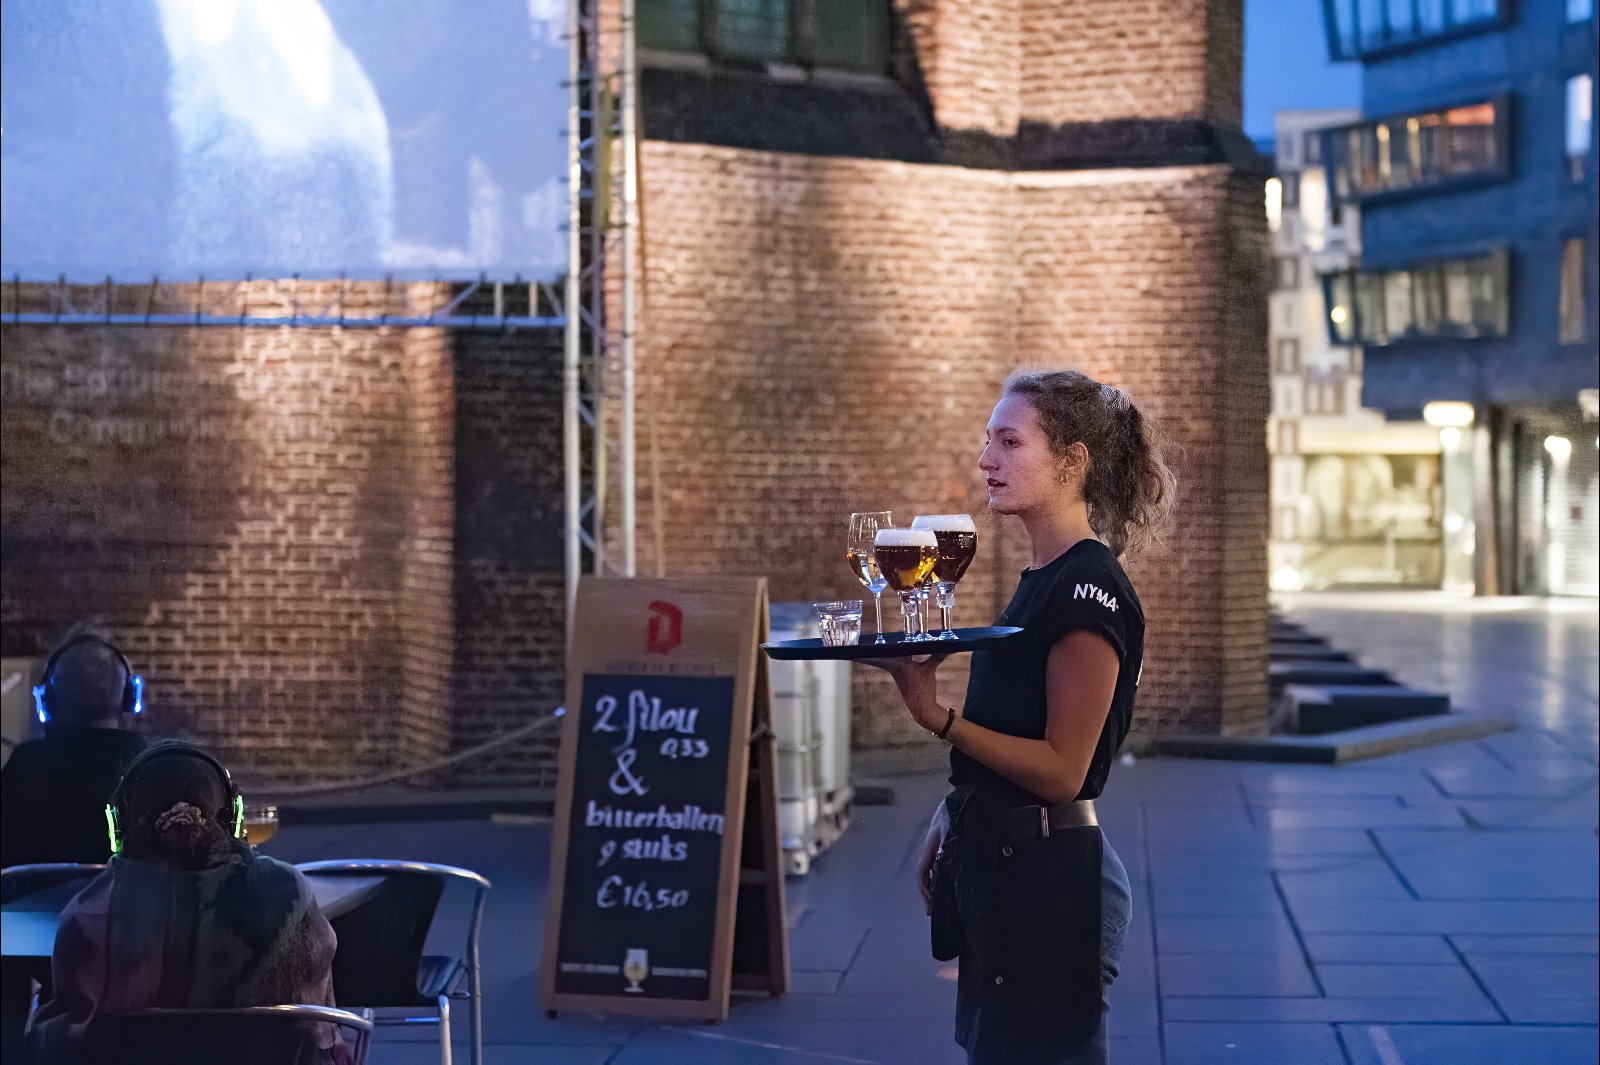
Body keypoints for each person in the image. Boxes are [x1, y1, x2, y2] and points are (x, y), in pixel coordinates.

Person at [867, 369, 1174, 1064]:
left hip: (1055, 887)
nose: (986, 459)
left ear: (1072, 460)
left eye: (1009, 441)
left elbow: (1065, 771)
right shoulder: (1042, 578)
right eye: (988, 441)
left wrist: (936, 715)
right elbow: (1013, 726)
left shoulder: (1088, 587)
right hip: (1010, 869)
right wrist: (952, 811)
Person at [24, 742, 348, 1065]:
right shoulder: (291, 891)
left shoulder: (88, 912)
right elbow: (322, 1030)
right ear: (234, 817)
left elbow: (69, 1041)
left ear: (118, 825)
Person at [1, 629, 149, 867]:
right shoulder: (154, 762)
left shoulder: (23, 765)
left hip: (33, 904)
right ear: (131, 697)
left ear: (47, 700)